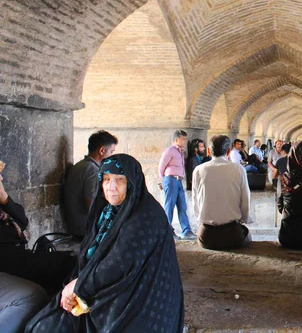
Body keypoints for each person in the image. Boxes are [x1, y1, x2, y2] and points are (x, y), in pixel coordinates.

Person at [26, 154, 185, 333]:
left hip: (139, 297)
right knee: (45, 324)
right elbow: (91, 256)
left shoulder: (145, 215)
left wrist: (79, 286)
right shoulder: (108, 212)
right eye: (106, 179)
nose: (111, 187)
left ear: (132, 183)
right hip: (105, 286)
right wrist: (75, 285)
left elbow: (118, 264)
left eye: (120, 180)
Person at [0, 167, 74, 332]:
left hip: (17, 256)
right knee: (57, 270)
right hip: (7, 261)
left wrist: (4, 197)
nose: (2, 180)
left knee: (68, 265)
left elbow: (22, 221)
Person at [192, 135, 252, 250]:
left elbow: (196, 201)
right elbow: (245, 200)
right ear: (228, 151)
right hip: (232, 235)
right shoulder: (238, 169)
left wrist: (199, 223)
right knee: (246, 235)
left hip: (206, 236)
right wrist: (244, 219)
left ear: (209, 151)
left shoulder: (198, 170)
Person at [63, 130, 118, 238]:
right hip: (85, 229)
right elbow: (92, 205)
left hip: (78, 226)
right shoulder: (92, 170)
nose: (112, 155)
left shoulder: (82, 165)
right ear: (102, 150)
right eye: (111, 152)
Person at [158, 130, 195, 240]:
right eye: (183, 139)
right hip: (171, 179)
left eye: (185, 139)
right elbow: (161, 167)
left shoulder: (181, 151)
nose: (185, 141)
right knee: (169, 206)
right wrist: (163, 180)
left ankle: (186, 231)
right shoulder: (169, 151)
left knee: (182, 206)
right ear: (176, 139)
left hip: (178, 181)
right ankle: (167, 231)